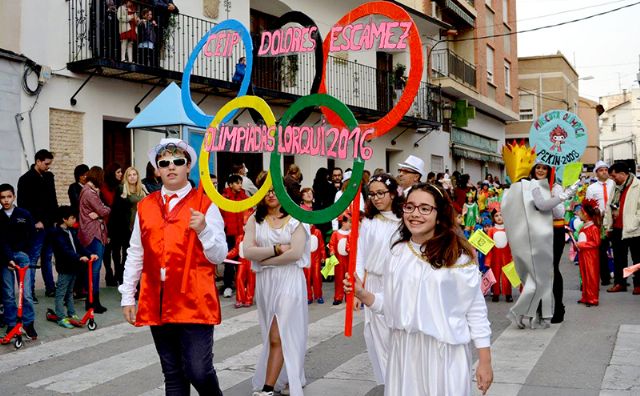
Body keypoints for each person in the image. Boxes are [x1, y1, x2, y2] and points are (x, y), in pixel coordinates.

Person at [344, 183, 493, 395]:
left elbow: (475, 310)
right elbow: (391, 304)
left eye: (425, 208)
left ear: (439, 214)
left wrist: (484, 361)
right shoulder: (397, 252)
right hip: (404, 353)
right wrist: (362, 293)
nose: (415, 214)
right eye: (410, 207)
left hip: (444, 355)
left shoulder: (458, 256)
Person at [120, 138, 227, 395]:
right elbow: (136, 251)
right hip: (157, 296)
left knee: (198, 370)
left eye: (178, 161)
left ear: (188, 166)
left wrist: (203, 230)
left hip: (194, 297)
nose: (171, 167)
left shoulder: (205, 203)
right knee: (173, 374)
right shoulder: (145, 205)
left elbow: (219, 255)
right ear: (157, 169)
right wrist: (127, 295)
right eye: (164, 162)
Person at [243, 172, 310, 396]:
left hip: (289, 279)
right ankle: (287, 374)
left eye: (275, 190)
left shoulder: (297, 219)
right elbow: (247, 251)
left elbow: (295, 254)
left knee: (278, 334)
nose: (270, 194)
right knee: (271, 333)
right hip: (265, 282)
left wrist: (265, 260)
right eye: (266, 190)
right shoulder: (255, 219)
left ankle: (267, 388)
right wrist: (275, 249)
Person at [355, 173, 403, 385]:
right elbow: (360, 255)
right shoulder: (368, 222)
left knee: (399, 335)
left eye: (381, 193)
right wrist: (358, 289)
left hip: (399, 283)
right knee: (379, 337)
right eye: (372, 194)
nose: (376, 198)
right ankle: (390, 384)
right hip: (373, 283)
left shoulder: (406, 221)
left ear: (393, 193)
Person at [18, 149, 59, 300]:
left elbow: (53, 199)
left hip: (49, 224)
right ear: (38, 161)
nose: (48, 166)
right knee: (33, 258)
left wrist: (55, 219)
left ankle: (50, 287)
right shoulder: (26, 179)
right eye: (46, 164)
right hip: (36, 226)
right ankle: (31, 291)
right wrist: (34, 222)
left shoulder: (49, 177)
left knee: (47, 257)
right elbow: (23, 204)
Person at [0, 183, 37, 340]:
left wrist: (26, 254)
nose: (6, 200)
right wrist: (8, 258)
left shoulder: (24, 214)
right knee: (8, 294)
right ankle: (11, 323)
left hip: (22, 257)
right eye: (2, 197)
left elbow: (32, 235)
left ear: (14, 197)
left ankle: (28, 323)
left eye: (9, 196)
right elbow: (0, 241)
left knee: (26, 293)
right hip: (4, 259)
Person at [51, 206, 96, 329]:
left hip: (74, 267)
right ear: (64, 219)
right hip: (65, 267)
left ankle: (71, 313)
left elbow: (79, 246)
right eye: (72, 218)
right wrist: (79, 257)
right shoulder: (57, 234)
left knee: (70, 291)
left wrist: (89, 253)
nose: (74, 220)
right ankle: (60, 316)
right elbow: (65, 250)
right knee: (61, 293)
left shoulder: (71, 231)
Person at [603, 162, 640, 295]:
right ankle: (620, 283)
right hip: (617, 228)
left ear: (623, 174)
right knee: (619, 258)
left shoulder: (637, 186)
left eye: (614, 176)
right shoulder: (616, 187)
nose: (612, 179)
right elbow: (609, 207)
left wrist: (635, 221)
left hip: (634, 229)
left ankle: (638, 284)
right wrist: (608, 226)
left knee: (637, 259)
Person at [78, 166, 111, 314]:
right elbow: (105, 210)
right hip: (94, 234)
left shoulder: (87, 191)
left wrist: (97, 214)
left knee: (92, 269)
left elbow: (100, 211)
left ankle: (92, 301)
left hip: (90, 233)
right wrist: (101, 212)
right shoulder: (90, 193)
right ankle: (93, 302)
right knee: (95, 269)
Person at [585, 160, 615, 285]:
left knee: (619, 250)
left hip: (615, 220)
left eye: (605, 169)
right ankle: (605, 277)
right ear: (596, 173)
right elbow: (588, 205)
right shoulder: (591, 188)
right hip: (600, 222)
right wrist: (596, 213)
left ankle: (620, 279)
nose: (604, 172)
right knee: (602, 250)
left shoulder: (614, 184)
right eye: (601, 170)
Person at [220, 174, 249, 298]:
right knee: (229, 262)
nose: (240, 185)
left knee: (242, 261)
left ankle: (242, 284)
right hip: (229, 234)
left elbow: (249, 212)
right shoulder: (223, 198)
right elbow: (220, 215)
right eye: (237, 183)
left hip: (242, 235)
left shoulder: (244, 197)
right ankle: (227, 286)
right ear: (230, 184)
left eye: (240, 183)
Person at [118, 166, 147, 285]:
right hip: (128, 227)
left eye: (134, 174)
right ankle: (126, 283)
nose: (132, 177)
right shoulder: (122, 189)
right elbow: (119, 210)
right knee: (128, 256)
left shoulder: (142, 189)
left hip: (142, 225)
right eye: (129, 175)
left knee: (141, 255)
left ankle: (139, 284)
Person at [101, 163, 124, 288]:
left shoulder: (120, 187)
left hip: (117, 223)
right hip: (107, 223)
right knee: (107, 251)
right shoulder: (103, 188)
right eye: (118, 172)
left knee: (117, 251)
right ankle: (108, 273)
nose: (121, 174)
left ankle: (118, 274)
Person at [575, 199, 601, 307]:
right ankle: (585, 296)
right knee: (584, 275)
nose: (578, 214)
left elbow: (596, 242)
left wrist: (582, 245)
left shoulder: (593, 228)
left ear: (585, 214)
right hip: (583, 254)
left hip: (590, 256)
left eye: (580, 212)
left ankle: (592, 298)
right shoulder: (584, 228)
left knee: (591, 276)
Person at [486, 209, 513, 303]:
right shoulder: (491, 230)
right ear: (493, 218)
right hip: (495, 256)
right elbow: (488, 246)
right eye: (496, 216)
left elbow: (512, 244)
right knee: (495, 274)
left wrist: (513, 257)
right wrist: (488, 260)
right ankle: (496, 293)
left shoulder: (509, 229)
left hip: (506, 255)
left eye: (501, 215)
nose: (499, 217)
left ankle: (508, 294)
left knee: (507, 274)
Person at [329, 213, 351, 305]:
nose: (351, 224)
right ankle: (338, 296)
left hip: (349, 260)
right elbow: (332, 244)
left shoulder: (351, 233)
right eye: (349, 222)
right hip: (339, 260)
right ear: (343, 223)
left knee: (349, 278)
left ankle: (349, 296)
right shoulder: (336, 234)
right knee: (339, 279)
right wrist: (332, 251)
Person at [304, 225, 325, 304]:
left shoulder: (317, 232)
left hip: (316, 258)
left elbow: (321, 245)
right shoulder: (303, 231)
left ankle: (319, 295)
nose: (309, 225)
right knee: (307, 278)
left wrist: (323, 256)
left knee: (317, 277)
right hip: (307, 258)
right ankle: (309, 297)